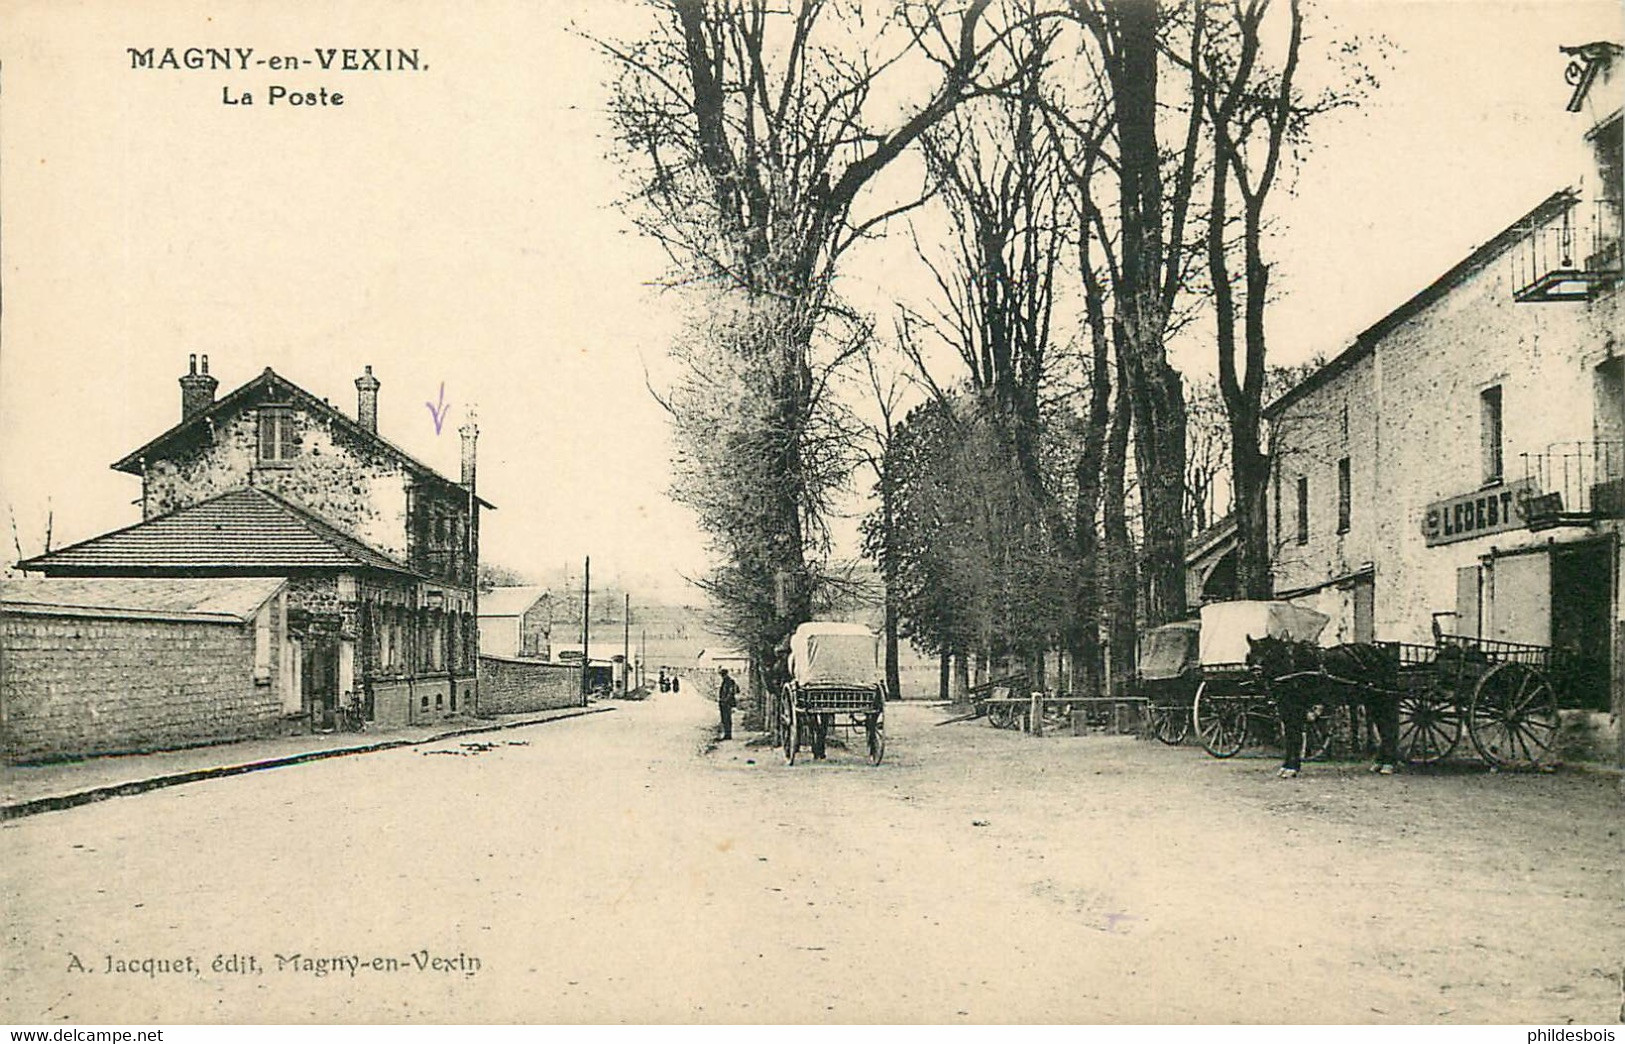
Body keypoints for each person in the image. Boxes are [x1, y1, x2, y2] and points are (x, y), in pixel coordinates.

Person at [717, 667, 739, 740]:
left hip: (727, 703)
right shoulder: (726, 681)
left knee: (727, 719)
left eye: (722, 674)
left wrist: (725, 700)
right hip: (724, 702)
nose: (722, 676)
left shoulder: (729, 681)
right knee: (724, 719)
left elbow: (730, 692)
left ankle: (728, 735)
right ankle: (727, 734)